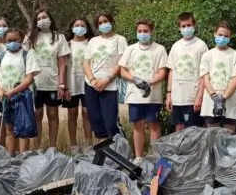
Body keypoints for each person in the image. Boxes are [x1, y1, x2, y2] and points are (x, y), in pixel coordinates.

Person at [119, 18, 168, 159]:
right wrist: (135, 79)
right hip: (134, 94)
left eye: (145, 31)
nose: (142, 33)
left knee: (153, 125)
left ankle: (155, 156)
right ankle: (139, 157)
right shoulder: (130, 49)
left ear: (151, 31)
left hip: (153, 94)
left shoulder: (159, 49)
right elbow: (123, 71)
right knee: (138, 125)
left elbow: (162, 72)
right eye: (140, 31)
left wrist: (150, 82)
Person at [0, 28, 40, 155]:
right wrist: (0, 91)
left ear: (21, 39)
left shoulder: (27, 55)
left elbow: (29, 78)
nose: (12, 43)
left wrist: (13, 91)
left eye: (15, 40)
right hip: (4, 98)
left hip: (22, 97)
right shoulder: (0, 57)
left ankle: (23, 157)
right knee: (9, 129)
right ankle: (11, 157)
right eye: (9, 40)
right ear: (5, 41)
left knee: (23, 128)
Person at [24, 9, 70, 151]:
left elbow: (62, 63)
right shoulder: (30, 38)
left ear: (50, 18)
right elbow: (23, 59)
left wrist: (62, 84)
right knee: (37, 114)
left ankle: (52, 147)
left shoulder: (59, 37)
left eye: (44, 17)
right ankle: (37, 148)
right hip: (35, 84)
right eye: (39, 18)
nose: (42, 20)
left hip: (52, 83)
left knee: (52, 114)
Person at [83, 11, 127, 143]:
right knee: (95, 119)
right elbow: (86, 62)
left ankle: (118, 147)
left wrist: (107, 79)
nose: (103, 25)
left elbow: (121, 63)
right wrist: (92, 80)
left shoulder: (120, 39)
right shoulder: (93, 41)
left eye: (105, 21)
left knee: (110, 121)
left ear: (111, 22)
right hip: (92, 84)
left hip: (110, 85)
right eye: (100, 23)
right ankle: (103, 150)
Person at [199, 21, 236, 134]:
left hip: (230, 102)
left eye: (226, 36)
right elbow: (205, 79)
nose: (222, 38)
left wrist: (223, 99)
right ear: (215, 33)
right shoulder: (207, 55)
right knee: (212, 135)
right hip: (211, 101)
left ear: (230, 37)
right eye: (220, 35)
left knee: (228, 135)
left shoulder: (235, 55)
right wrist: (215, 98)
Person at [166, 12, 208, 131]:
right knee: (179, 128)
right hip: (177, 97)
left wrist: (199, 96)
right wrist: (169, 94)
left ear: (194, 25)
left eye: (189, 25)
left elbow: (204, 74)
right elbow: (171, 71)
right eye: (183, 26)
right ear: (179, 28)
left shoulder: (201, 46)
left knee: (194, 131)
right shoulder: (175, 46)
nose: (186, 28)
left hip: (193, 97)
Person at [64, 18, 94, 155]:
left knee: (87, 113)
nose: (79, 28)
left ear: (87, 28)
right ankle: (73, 146)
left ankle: (88, 145)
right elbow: (62, 66)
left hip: (88, 83)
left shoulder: (91, 43)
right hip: (71, 84)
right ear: (71, 27)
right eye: (76, 25)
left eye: (82, 25)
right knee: (72, 114)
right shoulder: (67, 45)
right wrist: (64, 86)